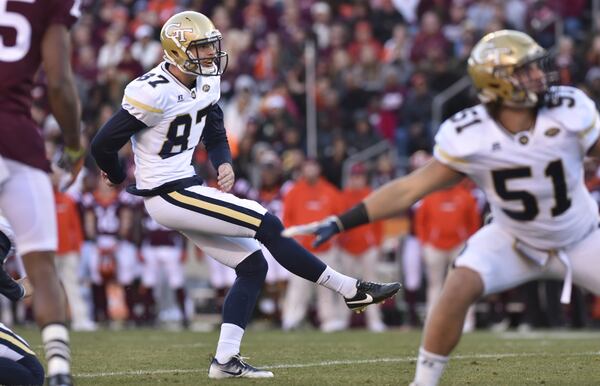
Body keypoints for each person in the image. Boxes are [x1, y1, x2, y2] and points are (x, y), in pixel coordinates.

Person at [90, 11, 401, 379]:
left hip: (184, 189)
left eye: (210, 45)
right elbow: (103, 142)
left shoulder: (206, 82)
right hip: (167, 192)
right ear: (176, 51)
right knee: (267, 223)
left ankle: (224, 361)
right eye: (201, 47)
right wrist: (117, 173)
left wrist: (223, 162)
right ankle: (350, 289)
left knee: (253, 265)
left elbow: (215, 131)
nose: (209, 54)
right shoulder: (152, 90)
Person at [283, 30, 600, 385]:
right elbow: (410, 188)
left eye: (536, 68)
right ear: (497, 81)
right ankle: (423, 382)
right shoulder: (470, 133)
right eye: (526, 71)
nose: (539, 76)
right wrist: (343, 221)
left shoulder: (569, 108)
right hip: (514, 237)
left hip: (582, 235)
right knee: (458, 284)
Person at [0, 1, 83, 385]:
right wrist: (73, 145)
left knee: (26, 373)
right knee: (44, 266)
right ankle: (61, 373)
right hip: (15, 136)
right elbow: (59, 83)